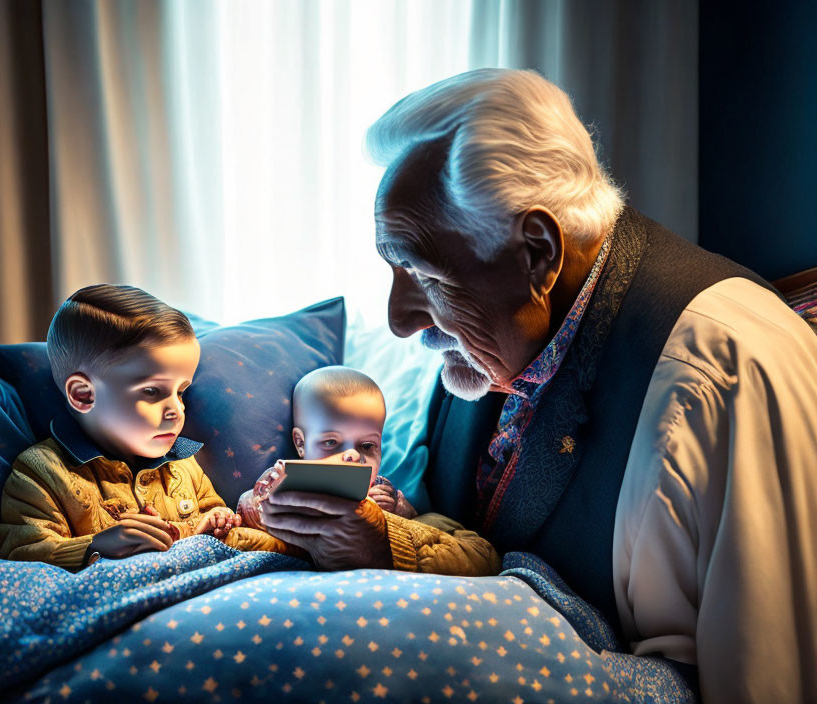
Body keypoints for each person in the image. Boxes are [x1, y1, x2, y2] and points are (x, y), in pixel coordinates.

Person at [259, 69, 817, 703]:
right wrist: (380, 539)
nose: (399, 321)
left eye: (425, 275)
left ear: (538, 252)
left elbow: (770, 678)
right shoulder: (486, 342)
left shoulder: (726, 371)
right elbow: (464, 538)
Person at [0, 284, 250, 570]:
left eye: (181, 392)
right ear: (83, 395)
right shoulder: (39, 472)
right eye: (152, 392)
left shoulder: (185, 462)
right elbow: (19, 553)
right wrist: (95, 546)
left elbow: (213, 514)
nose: (177, 411)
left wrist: (217, 521)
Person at [241, 365, 500, 576]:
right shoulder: (280, 483)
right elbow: (247, 517)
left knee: (470, 548)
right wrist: (255, 502)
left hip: (395, 553)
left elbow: (474, 551)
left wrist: (402, 513)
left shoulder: (386, 496)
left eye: (367, 445)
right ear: (300, 443)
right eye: (331, 443)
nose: (353, 456)